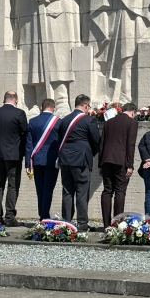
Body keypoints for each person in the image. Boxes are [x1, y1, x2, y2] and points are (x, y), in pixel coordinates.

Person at [56, 94, 100, 230]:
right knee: (81, 191)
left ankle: (67, 222)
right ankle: (82, 223)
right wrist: (90, 153)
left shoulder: (64, 120)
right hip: (81, 160)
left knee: (67, 191)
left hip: (65, 159)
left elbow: (60, 139)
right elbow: (96, 141)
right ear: (86, 105)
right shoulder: (88, 120)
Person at [0, 91, 29, 227]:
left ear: (3, 99)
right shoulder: (19, 114)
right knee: (12, 185)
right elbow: (24, 135)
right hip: (13, 154)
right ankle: (10, 217)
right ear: (16, 100)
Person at [98, 102, 139, 226]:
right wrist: (130, 165)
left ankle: (106, 225)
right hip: (121, 161)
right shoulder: (132, 122)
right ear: (133, 112)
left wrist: (100, 164)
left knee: (107, 191)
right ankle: (116, 224)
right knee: (120, 191)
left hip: (106, 160)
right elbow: (130, 144)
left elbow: (102, 143)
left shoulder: (109, 122)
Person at [25, 98, 61, 220]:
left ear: (41, 107)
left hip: (36, 160)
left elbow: (28, 145)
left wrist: (28, 164)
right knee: (48, 189)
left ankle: (42, 215)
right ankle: (44, 215)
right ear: (54, 108)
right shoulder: (58, 122)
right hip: (52, 160)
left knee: (39, 189)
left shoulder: (33, 121)